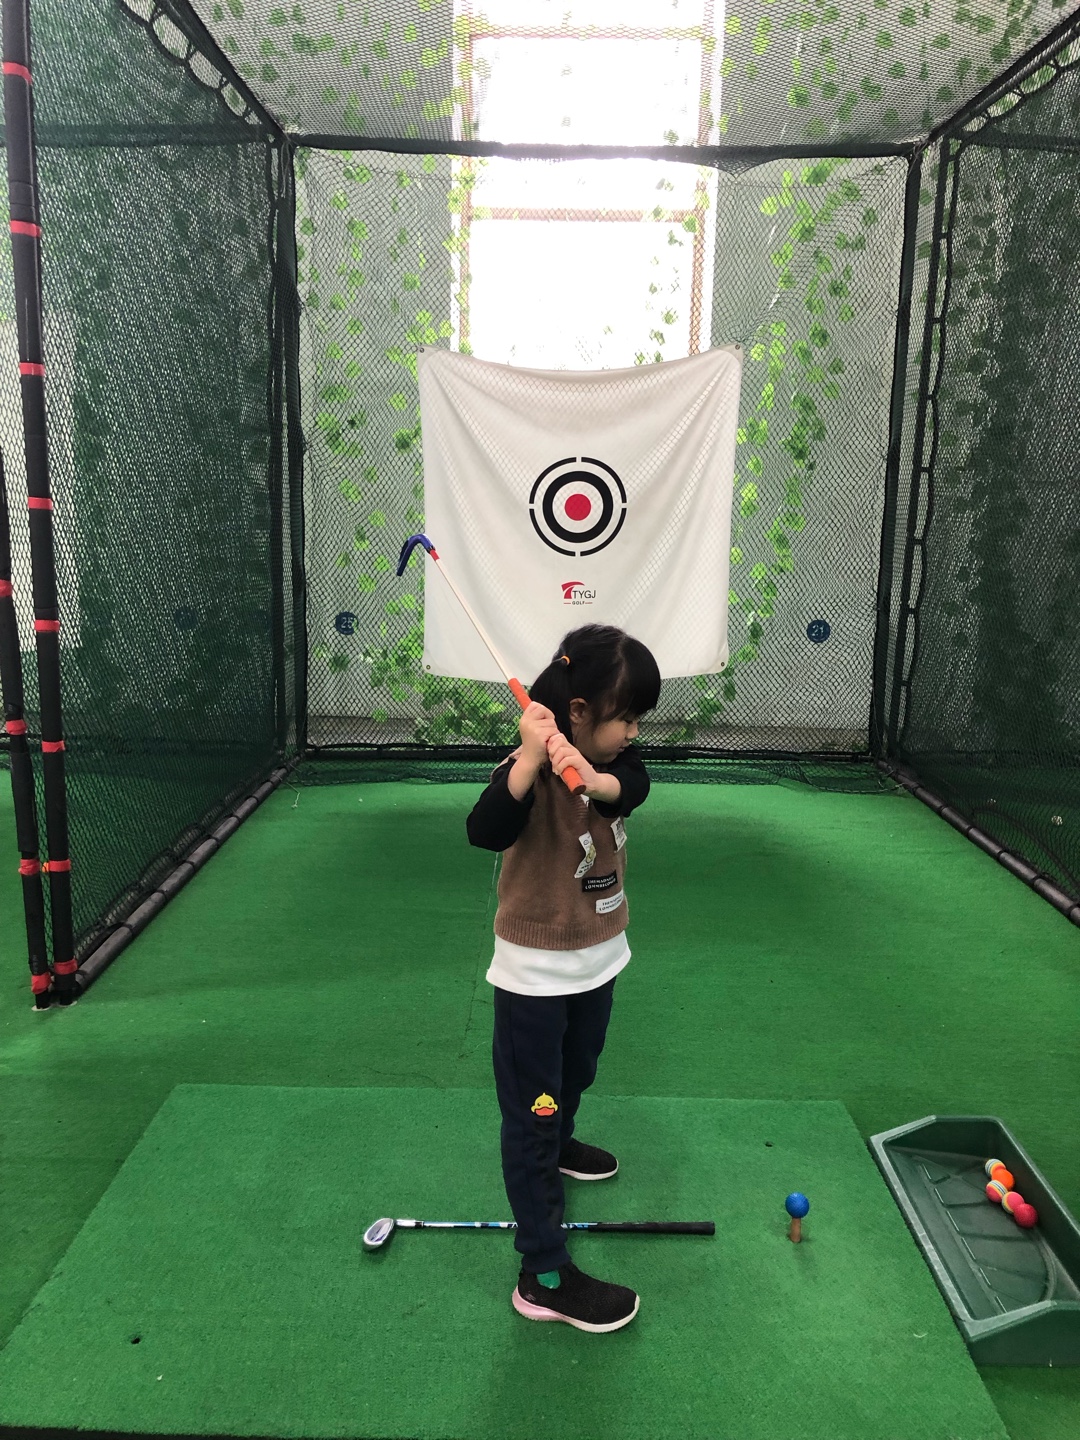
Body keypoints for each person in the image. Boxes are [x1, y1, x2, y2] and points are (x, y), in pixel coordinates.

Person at [466, 623, 661, 1333]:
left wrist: (592, 772)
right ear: (578, 710)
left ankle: (561, 1140)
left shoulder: (616, 763)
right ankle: (543, 1275)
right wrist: (529, 758)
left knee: (578, 1071)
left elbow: (626, 788)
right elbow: (485, 829)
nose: (633, 732)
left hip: (598, 959)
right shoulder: (525, 768)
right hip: (535, 978)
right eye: (624, 717)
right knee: (532, 1115)